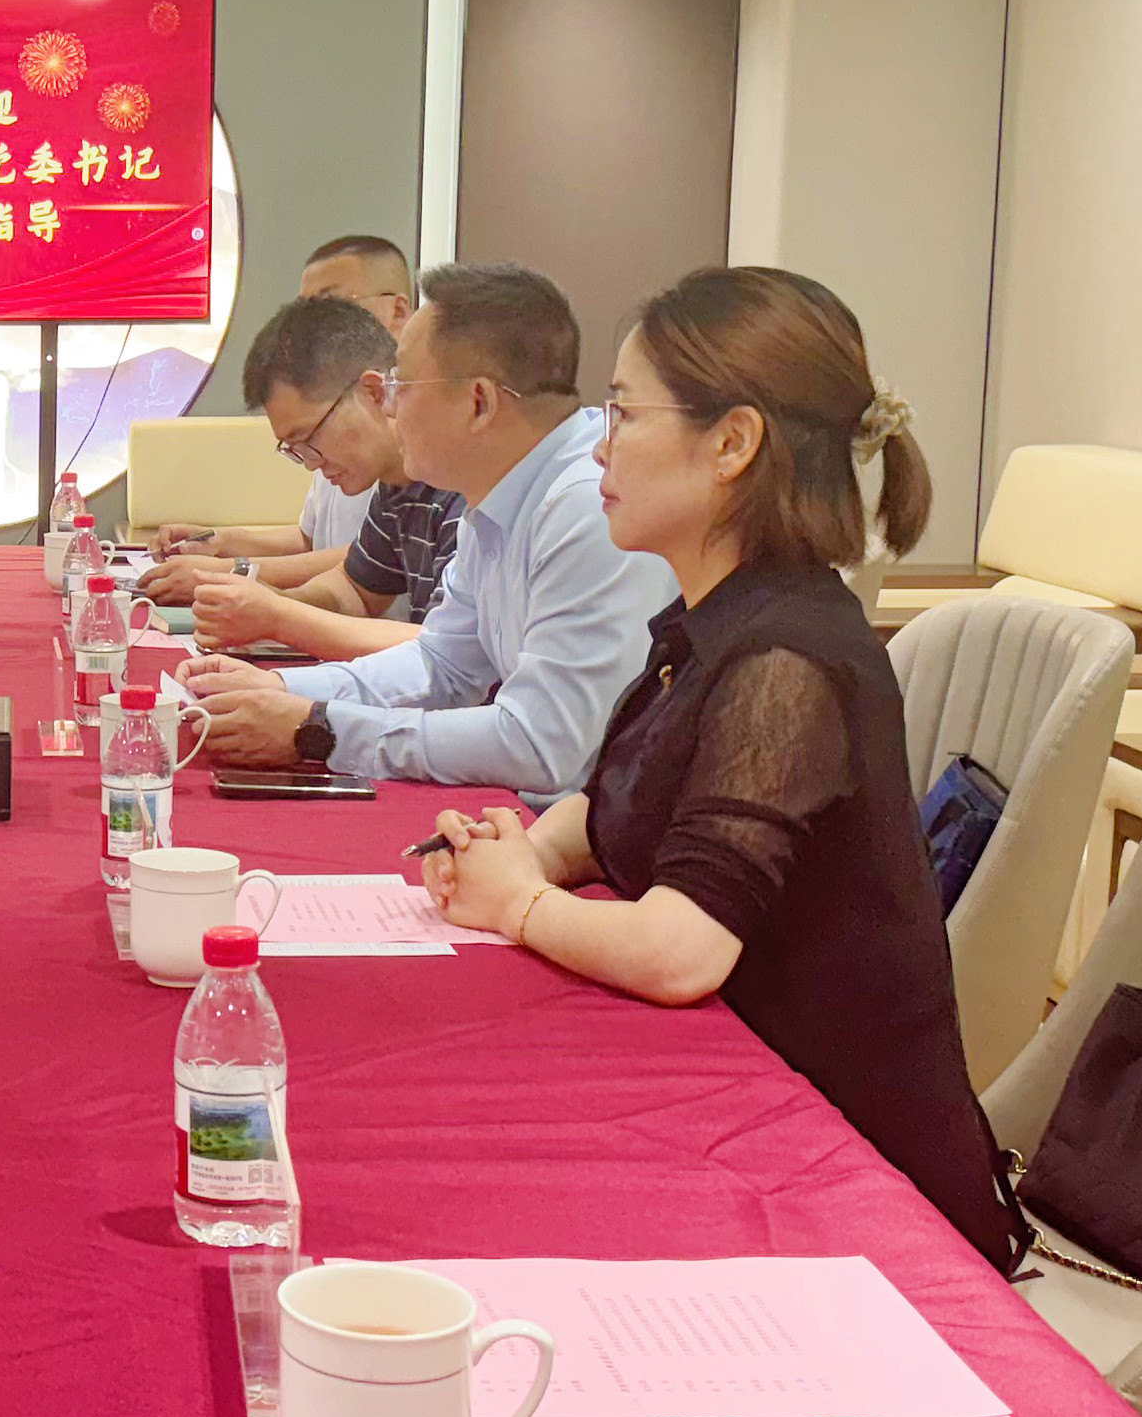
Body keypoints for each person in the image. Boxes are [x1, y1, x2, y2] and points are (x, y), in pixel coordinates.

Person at [421, 268, 1021, 1271]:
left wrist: (516, 906)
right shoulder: (714, 618)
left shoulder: (788, 659)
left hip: (855, 1188)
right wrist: (521, 853)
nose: (600, 446)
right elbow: (609, 803)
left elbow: (679, 952)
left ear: (733, 443)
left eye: (624, 413)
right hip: (745, 1117)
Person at [182, 264, 676, 802]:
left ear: (479, 403)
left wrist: (318, 729)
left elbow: (542, 746)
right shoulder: (495, 498)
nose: (390, 406)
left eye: (403, 385)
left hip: (573, 832)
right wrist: (279, 688)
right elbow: (439, 665)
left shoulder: (585, 505)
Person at [183, 297, 461, 662]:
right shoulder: (397, 486)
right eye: (293, 448)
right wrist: (268, 602)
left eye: (309, 437)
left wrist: (280, 616)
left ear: (374, 392)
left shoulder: (461, 484)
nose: (310, 464)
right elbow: (354, 590)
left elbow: (449, 650)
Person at [146, 235, 415, 603]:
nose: (313, 326)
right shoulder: (336, 428)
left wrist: (235, 574)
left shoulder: (406, 449)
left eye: (332, 305)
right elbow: (322, 545)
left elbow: (366, 563)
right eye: (305, 309)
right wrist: (223, 543)